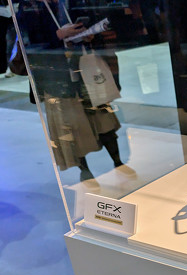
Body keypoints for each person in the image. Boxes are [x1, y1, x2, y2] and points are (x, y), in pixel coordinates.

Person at [19, 0, 131, 184]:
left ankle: (117, 161)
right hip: (56, 76)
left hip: (84, 67)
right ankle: (85, 171)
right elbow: (28, 43)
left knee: (104, 119)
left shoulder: (66, 2)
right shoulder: (30, 6)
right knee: (72, 126)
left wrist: (87, 35)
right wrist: (58, 35)